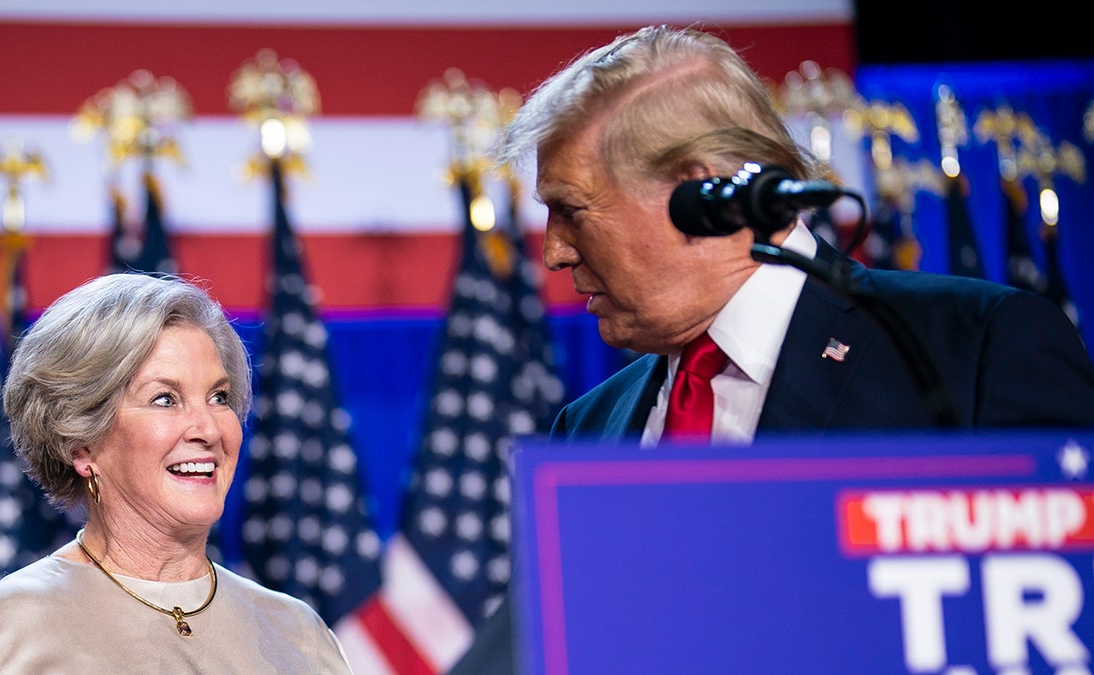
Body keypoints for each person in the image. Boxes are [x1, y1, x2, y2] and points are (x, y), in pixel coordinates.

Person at [447, 24, 1094, 675]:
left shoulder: (973, 349)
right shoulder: (588, 426)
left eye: (572, 209)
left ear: (698, 193)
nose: (553, 251)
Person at [0, 273, 353, 674]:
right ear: (82, 444)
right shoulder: (3, 635)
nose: (209, 430)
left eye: (219, 397)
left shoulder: (298, 634)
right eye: (165, 399)